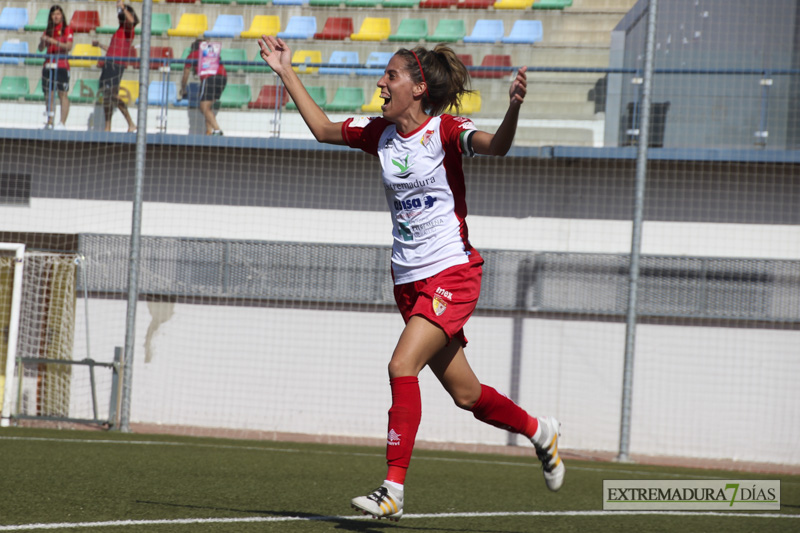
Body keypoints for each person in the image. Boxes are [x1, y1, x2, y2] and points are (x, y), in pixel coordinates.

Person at [258, 35, 565, 521]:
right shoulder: (378, 132)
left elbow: (496, 147)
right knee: (467, 395)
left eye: (392, 75)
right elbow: (321, 129)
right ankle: (539, 431)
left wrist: (513, 110)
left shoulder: (446, 131)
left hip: (453, 272)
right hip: (408, 281)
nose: (381, 81)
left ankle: (393, 489)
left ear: (419, 88)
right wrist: (284, 70)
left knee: (402, 365)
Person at [92, 1, 138, 132]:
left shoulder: (129, 29)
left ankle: (130, 122)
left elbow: (131, 20)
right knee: (107, 97)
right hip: (110, 64)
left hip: (116, 65)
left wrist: (123, 7)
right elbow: (113, 49)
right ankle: (108, 126)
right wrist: (100, 45)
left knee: (111, 95)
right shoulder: (120, 30)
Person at [180, 39, 227, 136]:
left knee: (203, 107)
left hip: (209, 78)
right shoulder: (212, 54)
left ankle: (217, 130)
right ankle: (209, 131)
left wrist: (183, 88)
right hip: (223, 77)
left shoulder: (193, 55)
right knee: (208, 107)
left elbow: (186, 74)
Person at [39, 5, 73, 129]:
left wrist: (53, 41)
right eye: (54, 14)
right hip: (48, 65)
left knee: (62, 94)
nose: (56, 16)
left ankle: (62, 123)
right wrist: (43, 41)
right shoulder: (48, 29)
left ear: (62, 15)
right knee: (49, 94)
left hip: (62, 65)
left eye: (58, 14)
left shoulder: (67, 29)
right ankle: (49, 121)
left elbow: (69, 46)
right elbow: (41, 48)